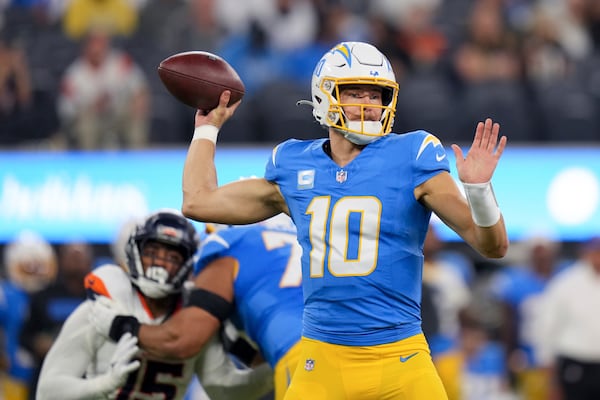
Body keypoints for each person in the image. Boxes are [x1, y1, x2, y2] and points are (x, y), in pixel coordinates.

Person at [108, 41, 508, 399]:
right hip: (321, 360)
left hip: (399, 358)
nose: (368, 103)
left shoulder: (413, 154)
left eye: (376, 94)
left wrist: (478, 191)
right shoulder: (293, 163)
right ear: (325, 95)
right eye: (355, 92)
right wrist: (207, 130)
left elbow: (492, 246)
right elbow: (198, 202)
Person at [36, 209, 273, 400]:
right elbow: (48, 391)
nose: (160, 264)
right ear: (135, 253)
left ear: (188, 264)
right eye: (153, 252)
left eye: (172, 257)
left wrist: (276, 369)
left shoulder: (196, 315)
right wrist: (103, 385)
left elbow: (222, 389)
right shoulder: (103, 308)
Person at [91, 214, 305, 400]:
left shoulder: (231, 246)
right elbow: (261, 354)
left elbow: (182, 340)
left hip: (305, 361)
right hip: (331, 349)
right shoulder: (304, 245)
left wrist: (120, 325)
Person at [20, 240, 94, 400]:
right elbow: (24, 336)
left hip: (87, 378)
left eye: (79, 258)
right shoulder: (43, 296)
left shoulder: (99, 298)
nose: (76, 263)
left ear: (89, 261)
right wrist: (37, 343)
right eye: (71, 257)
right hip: (48, 374)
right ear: (61, 260)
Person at [534, 236, 600, 400]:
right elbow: (546, 325)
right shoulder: (566, 283)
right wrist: (547, 367)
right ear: (586, 254)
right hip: (576, 362)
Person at [0, 231, 57, 400]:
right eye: (28, 265)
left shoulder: (55, 294)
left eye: (39, 265)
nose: (34, 269)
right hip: (11, 377)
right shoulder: (5, 294)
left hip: (49, 377)